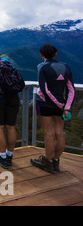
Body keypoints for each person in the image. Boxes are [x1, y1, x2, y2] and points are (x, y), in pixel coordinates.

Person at [31, 44, 75, 173]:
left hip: (44, 104)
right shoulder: (66, 66)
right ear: (55, 53)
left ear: (41, 54)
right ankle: (56, 161)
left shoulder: (42, 66)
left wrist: (57, 103)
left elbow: (44, 89)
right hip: (61, 105)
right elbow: (71, 89)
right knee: (59, 133)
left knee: (48, 134)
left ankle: (48, 162)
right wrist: (65, 106)